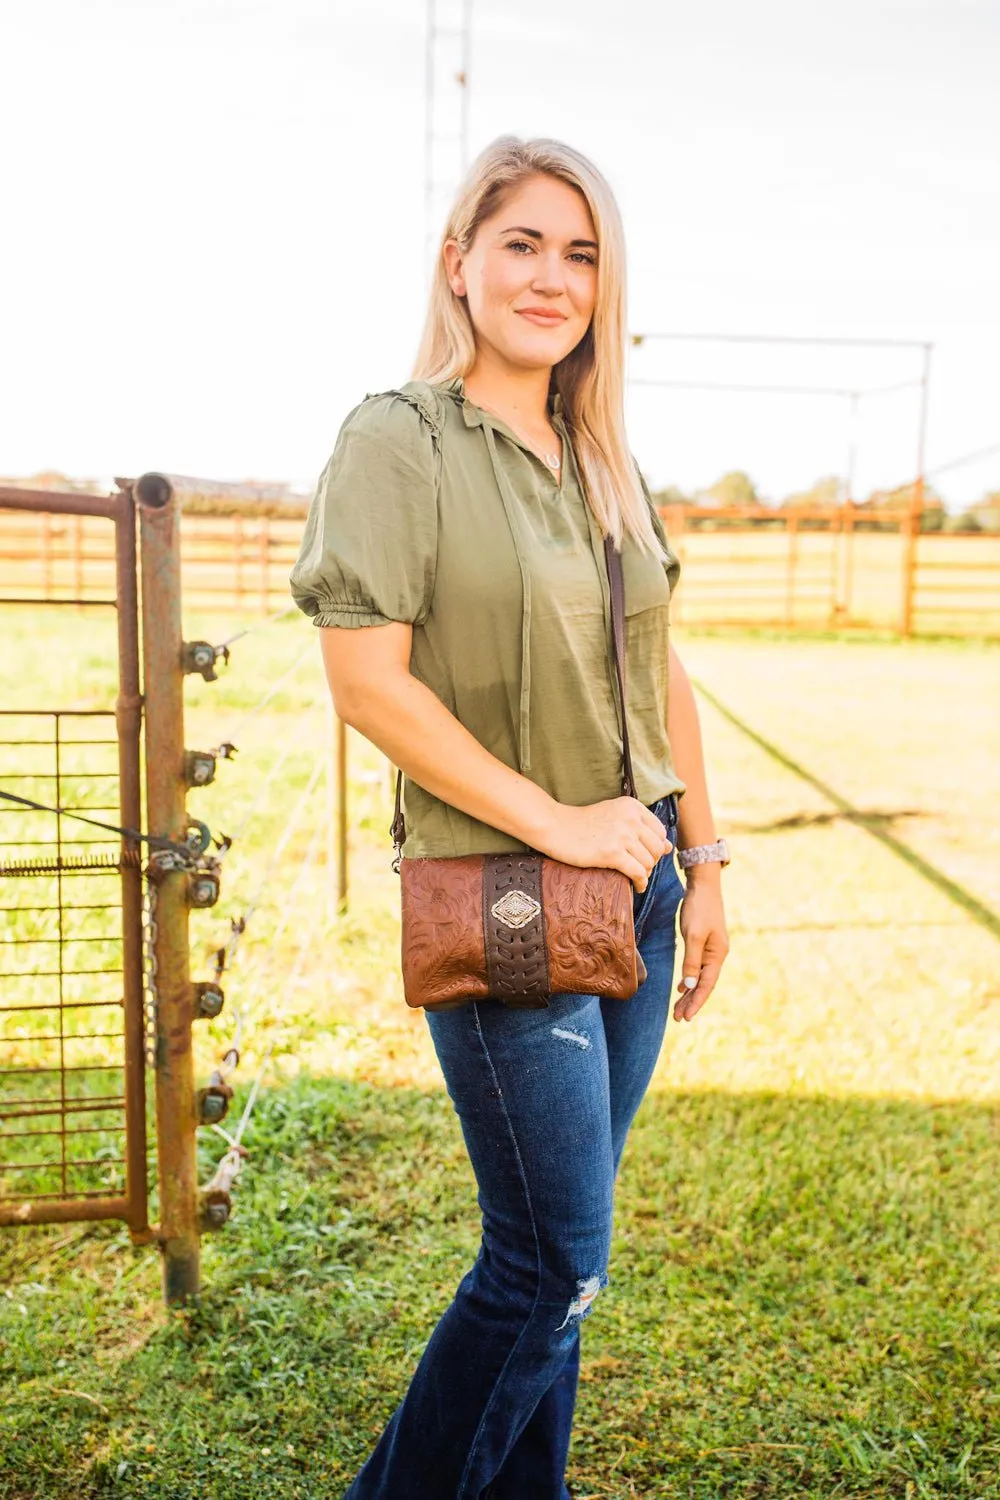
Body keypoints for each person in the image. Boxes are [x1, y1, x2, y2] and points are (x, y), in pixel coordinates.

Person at [289, 133, 730, 1500]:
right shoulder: (399, 439)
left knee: (568, 1265)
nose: (553, 276)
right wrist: (563, 822)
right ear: (460, 263)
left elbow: (659, 669)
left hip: (641, 883)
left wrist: (702, 862)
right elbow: (369, 680)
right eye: (524, 243)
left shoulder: (603, 456)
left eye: (582, 252)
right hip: (510, 890)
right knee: (551, 1258)